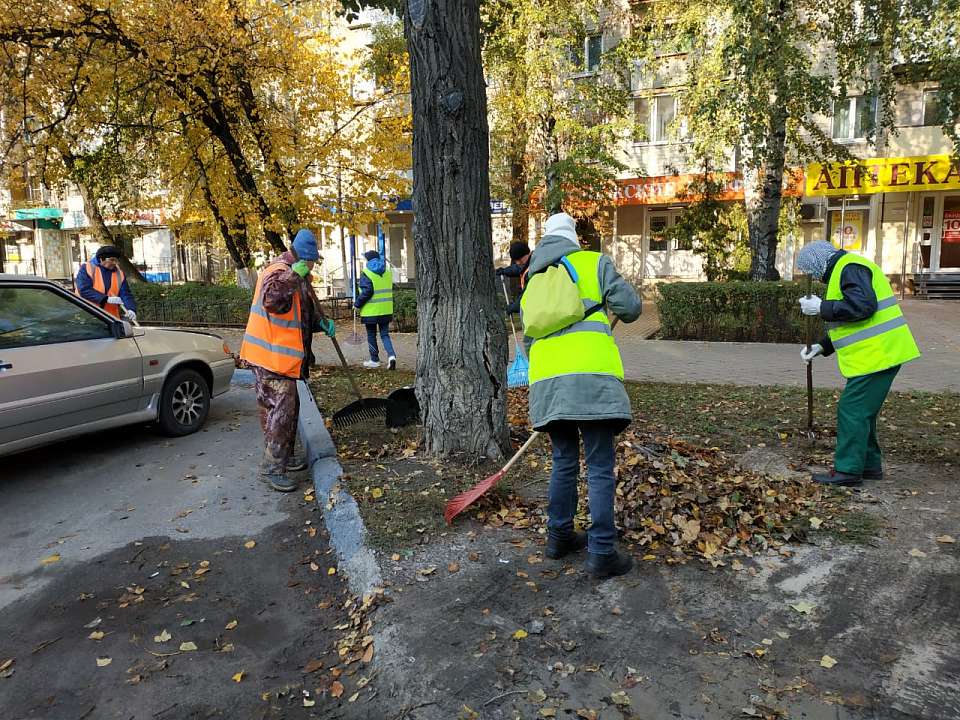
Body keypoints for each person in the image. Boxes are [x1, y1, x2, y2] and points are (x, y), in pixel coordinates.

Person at [525, 212, 642, 579]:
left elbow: (529, 340)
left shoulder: (532, 278)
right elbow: (631, 309)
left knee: (563, 461)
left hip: (548, 382)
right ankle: (602, 552)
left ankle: (558, 537)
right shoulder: (594, 262)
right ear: (574, 238)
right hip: (591, 379)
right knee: (600, 466)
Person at [796, 241, 921, 486]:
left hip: (878, 355)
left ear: (818, 263)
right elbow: (849, 323)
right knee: (864, 413)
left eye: (810, 270)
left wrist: (821, 307)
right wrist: (822, 346)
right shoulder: (847, 269)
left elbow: (863, 307)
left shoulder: (849, 268)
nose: (814, 277)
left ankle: (848, 470)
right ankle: (868, 466)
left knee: (852, 410)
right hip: (878, 355)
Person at [240, 228, 336, 493]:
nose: (314, 265)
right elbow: (272, 301)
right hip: (269, 358)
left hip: (281, 360)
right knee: (280, 414)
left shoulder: (297, 274)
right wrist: (294, 276)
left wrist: (319, 323)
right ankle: (272, 469)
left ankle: (286, 456)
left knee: (288, 411)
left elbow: (298, 313)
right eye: (312, 261)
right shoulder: (278, 272)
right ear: (304, 257)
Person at [355, 250, 397, 370]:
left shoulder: (366, 273)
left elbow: (367, 291)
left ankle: (374, 360)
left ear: (368, 260)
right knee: (385, 335)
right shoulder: (387, 271)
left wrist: (357, 304)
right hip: (386, 309)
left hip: (371, 311)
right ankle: (392, 356)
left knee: (371, 334)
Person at [76, 245, 137, 322]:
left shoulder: (119, 274)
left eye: (116, 260)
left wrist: (131, 309)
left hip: (111, 319)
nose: (115, 263)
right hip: (89, 317)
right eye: (112, 260)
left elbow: (125, 294)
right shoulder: (86, 268)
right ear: (101, 259)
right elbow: (83, 290)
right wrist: (106, 299)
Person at [496, 241, 531, 314]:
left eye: (520, 259)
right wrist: (505, 271)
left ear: (527, 253)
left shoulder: (535, 269)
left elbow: (528, 293)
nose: (518, 262)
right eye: (516, 260)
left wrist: (515, 306)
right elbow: (517, 268)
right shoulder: (527, 263)